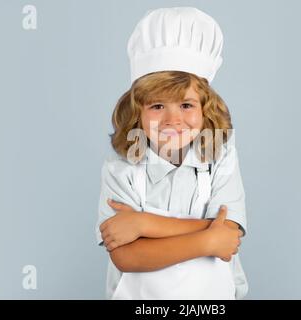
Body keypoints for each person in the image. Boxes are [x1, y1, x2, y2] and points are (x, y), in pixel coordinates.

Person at [95, 7, 248, 300]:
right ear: (136, 112)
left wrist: (142, 224)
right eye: (157, 106)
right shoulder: (120, 167)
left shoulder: (221, 158)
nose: (172, 120)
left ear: (206, 110)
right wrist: (208, 238)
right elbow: (127, 257)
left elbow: (228, 236)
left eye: (186, 106)